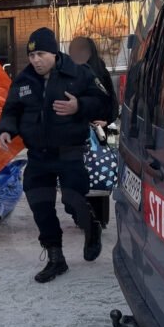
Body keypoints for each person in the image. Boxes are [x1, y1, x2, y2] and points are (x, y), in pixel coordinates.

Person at [0, 27, 117, 282]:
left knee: (73, 200)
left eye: (40, 54)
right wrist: (6, 130)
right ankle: (55, 258)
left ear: (53, 51)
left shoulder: (79, 73)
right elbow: (11, 110)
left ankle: (91, 226)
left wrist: (79, 106)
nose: (35, 60)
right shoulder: (24, 80)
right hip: (39, 156)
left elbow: (108, 106)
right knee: (40, 205)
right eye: (31, 56)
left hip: (70, 153)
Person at [68, 36, 120, 230]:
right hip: (83, 131)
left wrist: (107, 121)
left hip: (104, 130)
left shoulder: (100, 71)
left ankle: (99, 218)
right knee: (86, 174)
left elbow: (112, 102)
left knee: (102, 173)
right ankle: (86, 217)